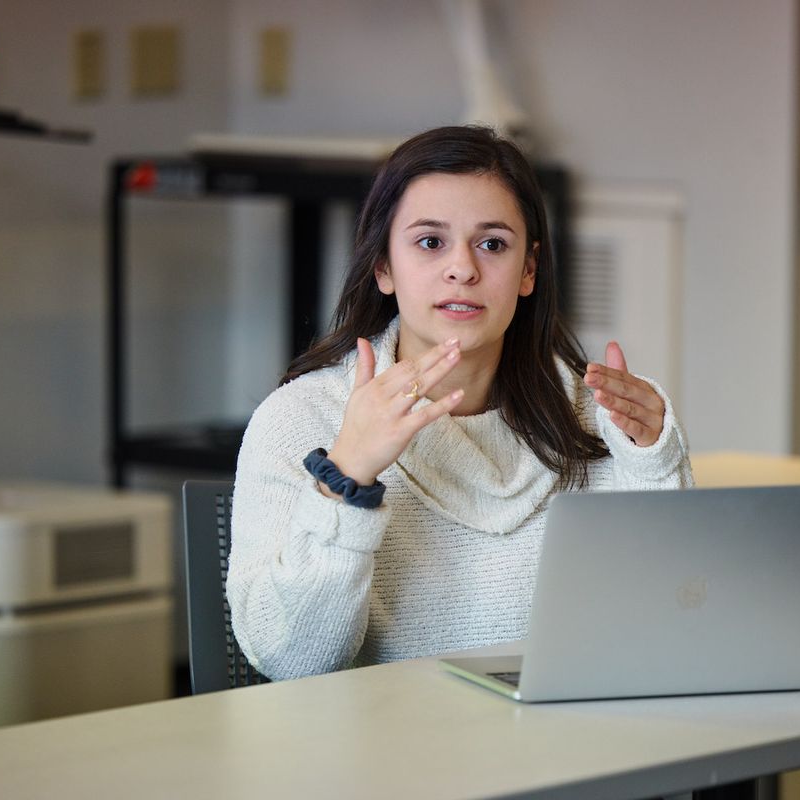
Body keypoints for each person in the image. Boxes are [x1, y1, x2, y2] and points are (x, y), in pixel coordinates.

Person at [227, 125, 693, 681]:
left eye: (492, 244)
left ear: (528, 270)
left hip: (565, 746)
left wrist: (654, 463)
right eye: (430, 242)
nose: (463, 269)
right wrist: (347, 474)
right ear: (382, 267)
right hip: (383, 754)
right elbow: (292, 662)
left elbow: (665, 628)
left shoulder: (595, 413)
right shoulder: (301, 418)